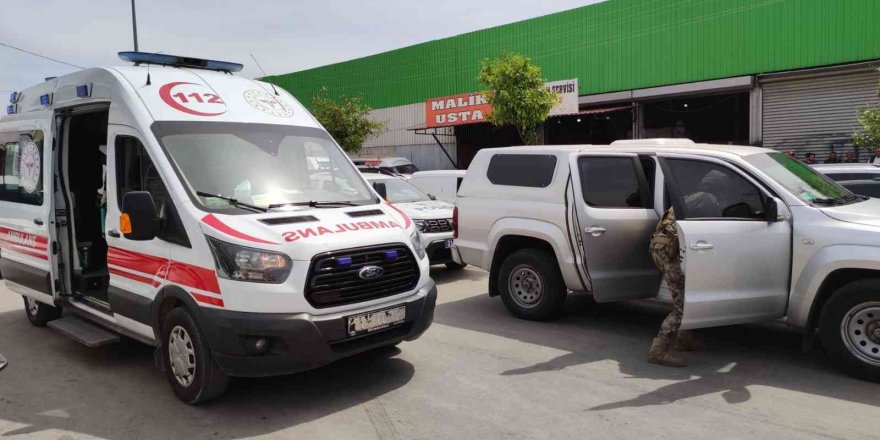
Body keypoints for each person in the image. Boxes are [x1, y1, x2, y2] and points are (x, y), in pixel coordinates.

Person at [647, 207, 702, 367]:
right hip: (670, 253)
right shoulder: (708, 199)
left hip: (664, 248)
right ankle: (658, 352)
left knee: (690, 297)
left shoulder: (691, 196)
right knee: (682, 307)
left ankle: (684, 340)